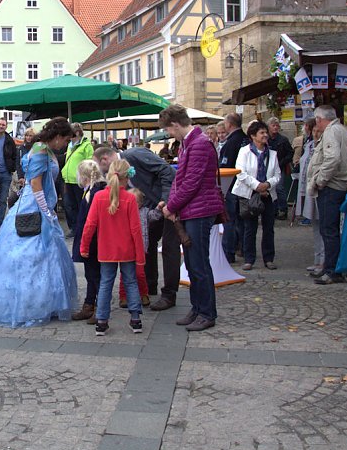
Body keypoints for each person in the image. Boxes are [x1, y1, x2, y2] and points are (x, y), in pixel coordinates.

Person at [0, 118, 77, 327]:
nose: (65, 144)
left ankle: (41, 302)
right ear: (57, 137)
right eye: (65, 140)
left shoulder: (42, 148)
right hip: (34, 205)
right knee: (33, 253)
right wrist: (47, 212)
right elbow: (36, 184)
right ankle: (31, 304)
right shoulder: (40, 151)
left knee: (40, 254)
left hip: (33, 203)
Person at [160, 105, 224, 331]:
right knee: (192, 263)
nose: (169, 134)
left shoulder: (198, 144)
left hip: (200, 210)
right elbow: (181, 180)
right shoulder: (189, 144)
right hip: (192, 210)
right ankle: (197, 308)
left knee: (199, 264)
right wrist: (172, 205)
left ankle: (207, 312)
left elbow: (190, 184)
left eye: (169, 130)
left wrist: (171, 206)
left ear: (176, 125)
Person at [93, 145, 178, 311]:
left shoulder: (135, 154)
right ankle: (149, 286)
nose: (103, 173)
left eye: (101, 168)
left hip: (166, 204)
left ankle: (169, 294)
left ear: (105, 159)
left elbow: (167, 171)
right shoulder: (119, 174)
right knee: (148, 246)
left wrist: (165, 199)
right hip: (148, 210)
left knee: (169, 249)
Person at [80, 158, 146, 336]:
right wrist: (140, 255)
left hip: (106, 250)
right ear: (127, 177)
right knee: (131, 282)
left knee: (105, 284)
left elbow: (90, 225)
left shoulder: (99, 197)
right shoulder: (130, 199)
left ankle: (101, 321)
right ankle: (135, 319)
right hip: (127, 250)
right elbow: (136, 230)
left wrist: (84, 247)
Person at [306, 105, 347, 285]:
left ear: (319, 119)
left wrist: (320, 180)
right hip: (339, 185)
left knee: (329, 230)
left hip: (332, 187)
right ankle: (330, 267)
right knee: (331, 229)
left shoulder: (331, 132)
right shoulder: (342, 130)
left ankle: (332, 271)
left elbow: (332, 158)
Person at [233, 120, 281, 271]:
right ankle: (249, 259)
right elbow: (240, 172)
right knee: (249, 227)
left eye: (265, 132)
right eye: (262, 133)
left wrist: (266, 185)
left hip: (267, 194)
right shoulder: (244, 152)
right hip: (249, 194)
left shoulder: (272, 154)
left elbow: (277, 174)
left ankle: (268, 258)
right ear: (253, 136)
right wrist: (257, 186)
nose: (265, 135)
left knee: (268, 227)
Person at [71, 160, 107, 323]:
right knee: (91, 274)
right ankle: (89, 305)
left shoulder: (94, 193)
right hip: (92, 240)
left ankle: (100, 310)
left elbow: (90, 221)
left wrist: (84, 243)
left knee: (95, 275)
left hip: (93, 241)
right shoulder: (93, 190)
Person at [219, 113, 249, 263]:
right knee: (242, 219)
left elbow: (225, 167)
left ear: (229, 125)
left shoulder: (231, 143)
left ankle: (229, 252)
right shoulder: (246, 139)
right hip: (245, 186)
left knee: (229, 219)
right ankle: (243, 249)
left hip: (231, 186)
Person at [295, 120, 325, 275]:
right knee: (315, 227)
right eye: (314, 131)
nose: (315, 134)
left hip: (318, 189)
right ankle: (317, 259)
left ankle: (323, 261)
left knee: (323, 228)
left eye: (318, 131)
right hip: (308, 190)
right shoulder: (309, 145)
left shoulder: (322, 147)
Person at [60, 123, 94, 238]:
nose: (70, 136)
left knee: (81, 205)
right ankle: (74, 228)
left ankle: (83, 227)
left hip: (80, 181)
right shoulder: (69, 145)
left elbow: (90, 162)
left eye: (72, 134)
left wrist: (86, 177)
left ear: (78, 133)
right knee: (69, 205)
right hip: (68, 179)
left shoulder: (86, 145)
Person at [266, 117, 294, 220]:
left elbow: (290, 153)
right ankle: (273, 209)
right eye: (273, 125)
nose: (275, 127)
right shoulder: (266, 140)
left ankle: (283, 209)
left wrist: (282, 162)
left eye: (277, 125)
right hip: (268, 167)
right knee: (269, 187)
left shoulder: (283, 140)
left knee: (279, 188)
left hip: (280, 167)